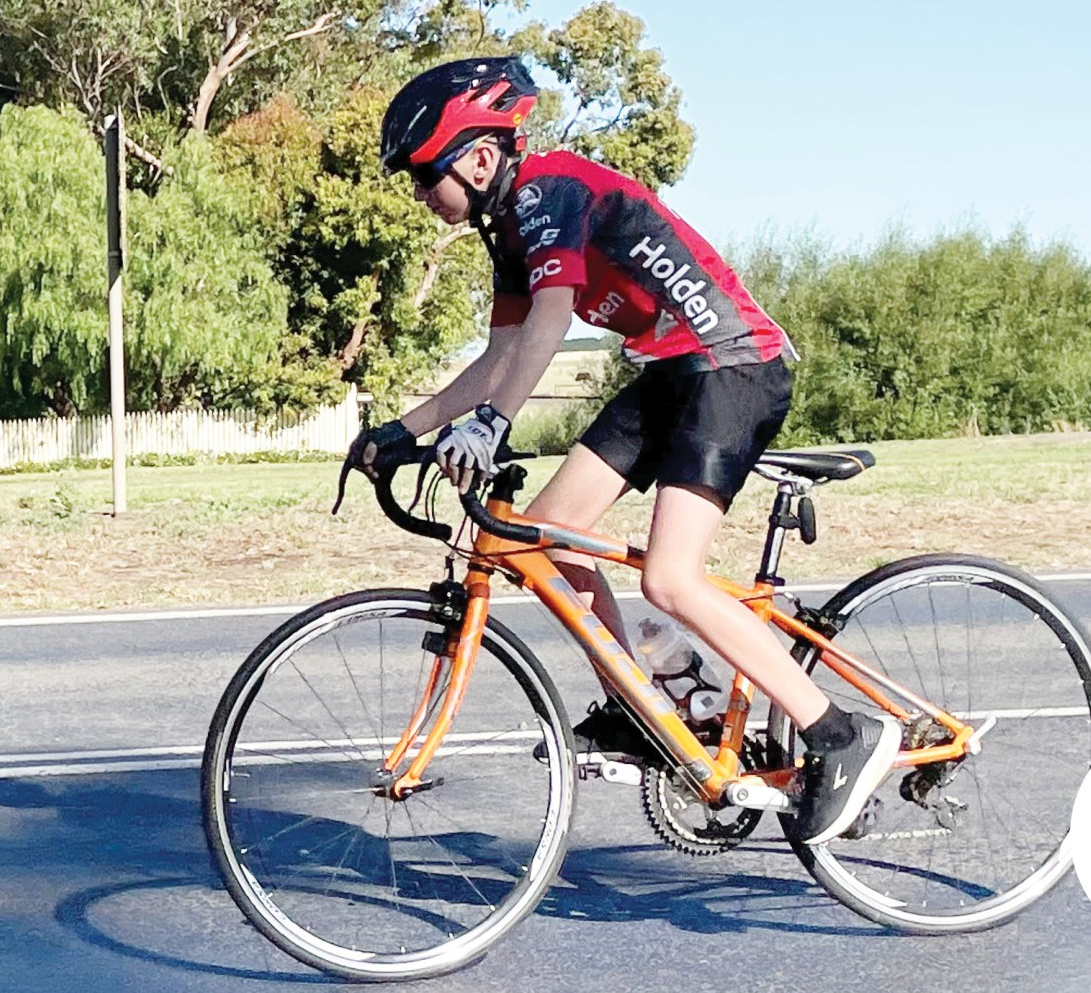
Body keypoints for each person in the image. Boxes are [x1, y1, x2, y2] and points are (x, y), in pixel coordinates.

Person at [352, 55, 897, 846]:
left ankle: (841, 735)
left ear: (476, 157)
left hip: (731, 362)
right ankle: (648, 704)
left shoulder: (547, 190)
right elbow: (499, 354)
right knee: (547, 535)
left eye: (422, 173)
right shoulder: (505, 224)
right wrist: (403, 431)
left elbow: (549, 323)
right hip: (672, 370)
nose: (417, 192)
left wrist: (491, 425)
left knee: (669, 577)